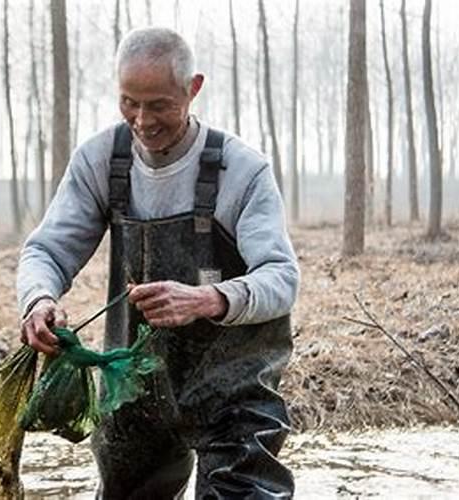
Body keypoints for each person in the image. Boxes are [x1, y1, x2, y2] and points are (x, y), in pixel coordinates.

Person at [17, 26, 299, 499]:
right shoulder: (102, 160)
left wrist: (209, 299)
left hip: (235, 397)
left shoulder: (241, 169)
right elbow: (46, 250)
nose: (143, 121)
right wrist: (39, 299)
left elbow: (281, 278)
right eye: (130, 102)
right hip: (136, 392)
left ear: (193, 89)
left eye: (160, 105)